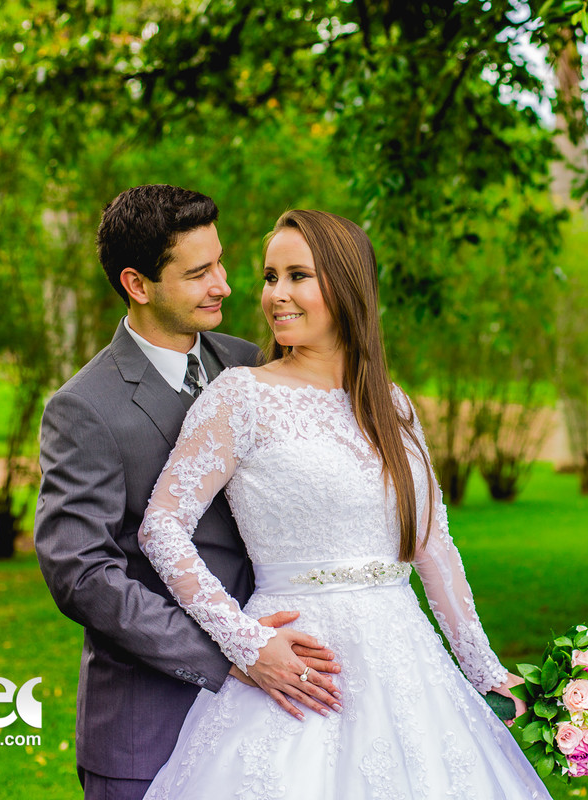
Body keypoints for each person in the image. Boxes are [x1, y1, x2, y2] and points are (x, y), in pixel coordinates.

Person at [138, 209, 553, 798]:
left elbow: (432, 546)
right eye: (269, 276)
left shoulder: (392, 404)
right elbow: (161, 526)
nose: (276, 295)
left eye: (297, 276)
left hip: (407, 662)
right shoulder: (241, 396)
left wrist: (484, 667)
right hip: (303, 665)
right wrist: (245, 640)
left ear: (346, 285)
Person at [34, 186, 341, 800]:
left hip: (279, 711)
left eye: (222, 263)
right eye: (199, 273)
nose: (224, 285)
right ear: (138, 284)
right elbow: (81, 574)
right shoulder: (84, 408)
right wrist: (230, 650)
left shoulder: (252, 363)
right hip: (148, 721)